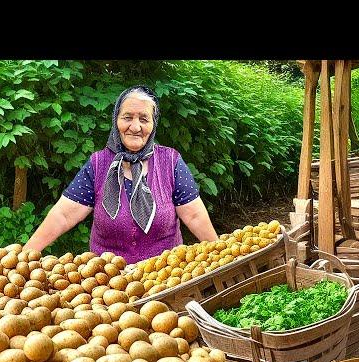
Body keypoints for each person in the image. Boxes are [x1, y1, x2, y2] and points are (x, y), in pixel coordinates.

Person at [23, 85, 218, 264]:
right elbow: (63, 215)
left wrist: (221, 256)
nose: (135, 127)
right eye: (127, 117)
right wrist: (23, 257)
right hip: (106, 282)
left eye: (144, 119)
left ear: (153, 124)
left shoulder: (171, 162)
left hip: (164, 277)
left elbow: (194, 216)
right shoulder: (98, 164)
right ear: (116, 119)